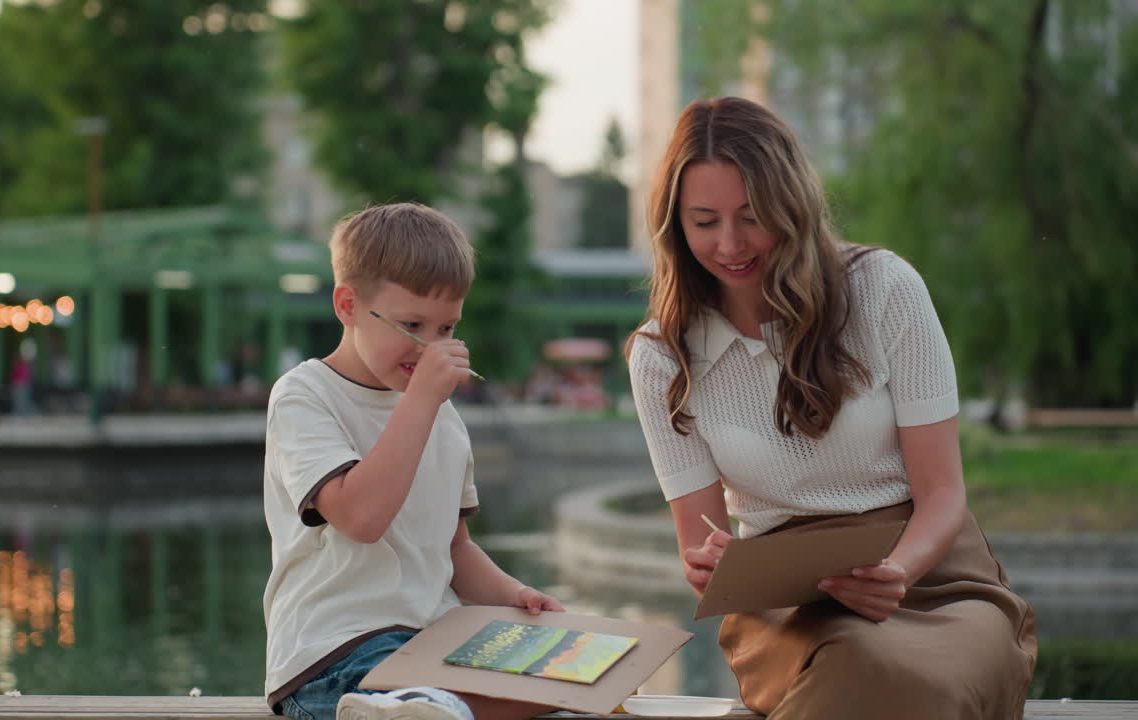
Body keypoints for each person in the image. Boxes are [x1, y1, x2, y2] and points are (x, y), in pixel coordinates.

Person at [626, 97, 1037, 719]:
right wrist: (711, 564)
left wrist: (895, 570)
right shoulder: (662, 358)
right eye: (705, 221)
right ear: (674, 225)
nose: (731, 244)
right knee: (857, 661)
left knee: (923, 679)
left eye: (752, 216)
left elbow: (944, 495)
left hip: (934, 579)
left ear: (790, 205)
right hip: (786, 607)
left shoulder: (885, 288)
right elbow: (702, 550)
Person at [263, 203, 564, 720]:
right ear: (348, 305)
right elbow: (362, 518)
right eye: (412, 325)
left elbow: (455, 549)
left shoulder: (442, 418)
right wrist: (421, 401)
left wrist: (515, 596)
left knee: (564, 685)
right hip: (333, 652)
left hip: (433, 648)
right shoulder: (304, 396)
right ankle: (414, 704)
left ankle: (429, 703)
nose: (432, 346)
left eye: (447, 329)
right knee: (416, 691)